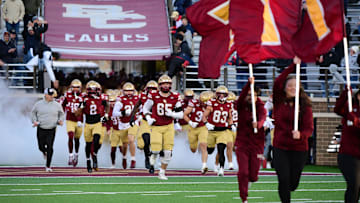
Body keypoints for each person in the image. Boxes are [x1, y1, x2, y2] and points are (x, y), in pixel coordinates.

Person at [272, 57, 314, 203]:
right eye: (289, 85)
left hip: (299, 148)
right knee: (283, 179)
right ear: (285, 87)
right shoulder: (279, 100)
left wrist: (301, 135)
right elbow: (277, 82)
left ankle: (290, 187)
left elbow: (309, 128)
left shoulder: (305, 106)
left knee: (292, 183)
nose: (292, 88)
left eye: (295, 85)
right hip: (280, 147)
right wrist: (292, 66)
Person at [143, 74, 183, 180]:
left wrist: (173, 114)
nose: (165, 86)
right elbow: (145, 109)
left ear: (171, 85)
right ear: (160, 85)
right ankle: (153, 155)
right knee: (156, 149)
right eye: (163, 84)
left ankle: (162, 172)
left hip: (168, 126)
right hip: (156, 125)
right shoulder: (154, 95)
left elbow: (181, 114)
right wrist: (148, 118)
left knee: (168, 151)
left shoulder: (175, 96)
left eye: (168, 84)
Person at [235, 77, 267, 203]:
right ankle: (244, 198)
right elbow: (241, 97)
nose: (250, 97)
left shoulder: (260, 107)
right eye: (248, 95)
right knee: (243, 172)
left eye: (253, 95)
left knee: (253, 176)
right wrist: (249, 83)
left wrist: (258, 124)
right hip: (242, 143)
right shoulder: (241, 105)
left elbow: (263, 118)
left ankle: (249, 182)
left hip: (257, 144)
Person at [202, 85, 235, 176]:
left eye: (223, 94)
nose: (221, 96)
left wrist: (232, 124)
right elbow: (204, 116)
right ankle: (210, 163)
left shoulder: (229, 104)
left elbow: (229, 118)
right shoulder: (211, 102)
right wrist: (206, 124)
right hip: (212, 131)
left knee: (221, 150)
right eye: (219, 94)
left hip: (223, 131)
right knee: (210, 150)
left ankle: (221, 169)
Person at [334, 87, 360, 203]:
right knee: (354, 185)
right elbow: (337, 109)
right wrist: (345, 93)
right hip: (348, 154)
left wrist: (356, 122)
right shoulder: (350, 108)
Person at [76, 80, 106, 173]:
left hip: (97, 123)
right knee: (88, 144)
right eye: (91, 90)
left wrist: (106, 115)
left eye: (94, 90)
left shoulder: (102, 98)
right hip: (88, 124)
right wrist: (81, 106)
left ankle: (95, 154)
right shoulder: (84, 99)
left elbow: (107, 105)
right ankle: (88, 161)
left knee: (96, 140)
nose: (93, 92)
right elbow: (77, 113)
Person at [31, 88, 64, 172]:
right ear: (45, 95)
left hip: (51, 128)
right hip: (41, 128)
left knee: (50, 146)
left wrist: (60, 120)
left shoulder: (57, 104)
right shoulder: (38, 104)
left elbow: (61, 114)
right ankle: (44, 152)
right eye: (49, 95)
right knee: (41, 146)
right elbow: (33, 113)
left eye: (52, 94)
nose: (51, 96)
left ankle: (48, 166)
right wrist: (34, 121)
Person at [129, 80, 158, 169]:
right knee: (146, 140)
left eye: (154, 89)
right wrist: (132, 117)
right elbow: (136, 106)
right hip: (145, 121)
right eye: (150, 89)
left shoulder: (161, 96)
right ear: (146, 89)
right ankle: (147, 157)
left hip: (157, 122)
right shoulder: (143, 96)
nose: (152, 91)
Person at [112, 82, 140, 169]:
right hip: (123, 124)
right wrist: (123, 113)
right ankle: (124, 157)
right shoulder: (120, 100)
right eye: (127, 91)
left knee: (131, 139)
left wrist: (140, 117)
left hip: (133, 122)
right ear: (123, 91)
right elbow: (114, 113)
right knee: (124, 145)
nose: (129, 93)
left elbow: (143, 109)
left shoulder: (137, 98)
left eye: (131, 91)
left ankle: (133, 159)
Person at [183, 90, 212, 174]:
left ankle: (204, 166)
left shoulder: (212, 105)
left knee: (203, 145)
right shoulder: (193, 103)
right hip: (193, 128)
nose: (204, 104)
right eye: (202, 102)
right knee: (193, 149)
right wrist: (190, 122)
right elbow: (185, 114)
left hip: (203, 127)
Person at [61, 79, 83, 167]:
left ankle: (76, 155)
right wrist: (61, 115)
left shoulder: (83, 96)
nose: (75, 89)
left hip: (79, 121)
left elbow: (85, 109)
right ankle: (70, 156)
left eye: (77, 87)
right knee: (70, 136)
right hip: (70, 119)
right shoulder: (67, 95)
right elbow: (63, 105)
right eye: (74, 87)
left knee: (77, 139)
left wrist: (80, 119)